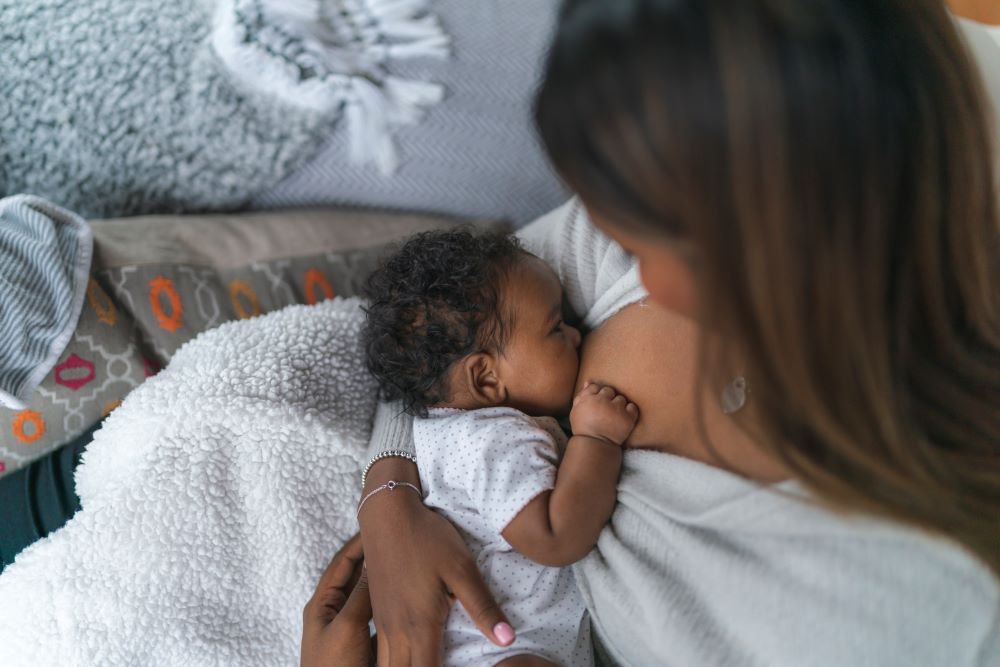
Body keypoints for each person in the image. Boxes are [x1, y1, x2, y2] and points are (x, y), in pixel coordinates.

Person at [304, 1, 1000, 665]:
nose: (645, 277)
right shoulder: (692, 137)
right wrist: (389, 498)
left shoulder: (903, 608)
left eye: (654, 242)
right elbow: (438, 335)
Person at [360, 229, 638, 666]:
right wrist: (596, 440)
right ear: (487, 379)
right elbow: (554, 536)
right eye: (555, 328)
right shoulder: (495, 441)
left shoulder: (443, 429)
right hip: (498, 649)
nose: (576, 335)